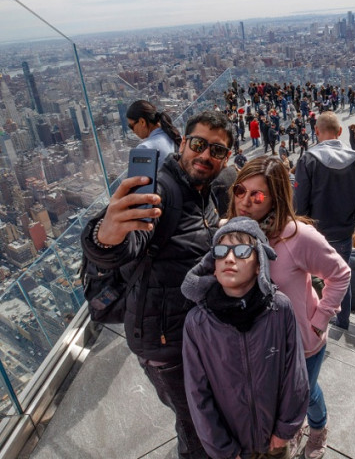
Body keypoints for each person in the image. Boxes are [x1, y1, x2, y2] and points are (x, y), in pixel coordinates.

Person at [81, 111, 233, 459]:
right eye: (198, 144)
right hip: (166, 345)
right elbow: (127, 241)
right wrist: (105, 236)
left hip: (191, 333)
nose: (206, 155)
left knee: (199, 415)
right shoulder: (162, 190)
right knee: (196, 425)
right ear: (182, 144)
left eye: (217, 150)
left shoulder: (202, 191)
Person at [227, 156, 351, 459]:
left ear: (276, 198)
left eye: (256, 195)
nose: (244, 201)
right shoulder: (232, 232)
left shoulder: (298, 236)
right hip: (256, 343)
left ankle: (317, 428)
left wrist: (319, 320)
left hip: (300, 343)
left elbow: (340, 273)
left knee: (304, 395)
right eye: (239, 190)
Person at [181, 217, 309, 459]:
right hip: (233, 449)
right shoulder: (197, 323)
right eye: (221, 251)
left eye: (241, 251)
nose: (230, 258)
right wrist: (224, 450)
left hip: (275, 441)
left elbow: (296, 375)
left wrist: (284, 430)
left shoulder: (280, 309)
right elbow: (197, 395)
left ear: (260, 264)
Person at [294, 111, 355, 330]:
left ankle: (312, 320)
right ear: (340, 132)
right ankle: (343, 322)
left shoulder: (308, 159)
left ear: (316, 131)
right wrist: (351, 220)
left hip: (314, 234)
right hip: (343, 234)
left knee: (309, 278)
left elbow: (299, 204)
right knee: (340, 277)